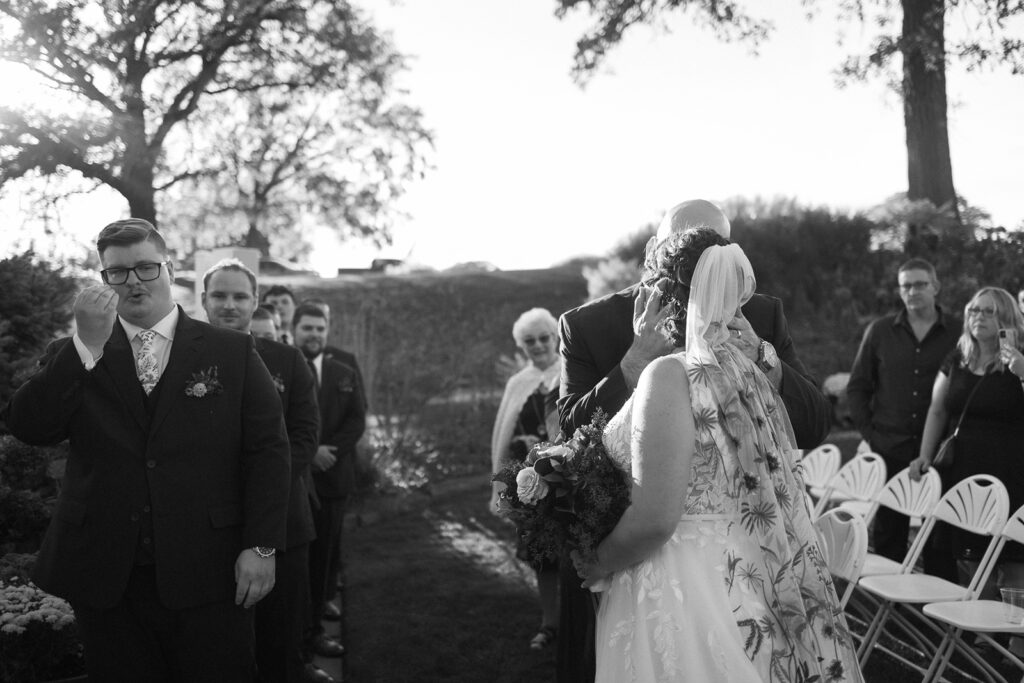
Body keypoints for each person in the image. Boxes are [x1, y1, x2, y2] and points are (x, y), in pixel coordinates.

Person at [555, 199, 831, 683]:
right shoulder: (589, 324)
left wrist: (765, 359)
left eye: (717, 248)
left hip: (741, 554)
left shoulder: (759, 316)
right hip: (627, 546)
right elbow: (572, 433)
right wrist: (631, 365)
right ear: (653, 250)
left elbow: (811, 424)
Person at [3, 219, 290, 682]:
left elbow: (268, 452)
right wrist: (85, 345)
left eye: (145, 267)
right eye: (117, 272)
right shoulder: (76, 351)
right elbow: (28, 425)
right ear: (104, 282)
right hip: (107, 575)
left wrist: (261, 545)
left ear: (169, 270)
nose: (133, 280)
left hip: (210, 570)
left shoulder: (232, 351)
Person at [201, 259, 331, 683]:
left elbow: (305, 437)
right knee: (218, 646)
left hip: (283, 524)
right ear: (203, 301)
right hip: (206, 525)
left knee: (281, 638)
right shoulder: (186, 356)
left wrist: (259, 486)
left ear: (256, 302)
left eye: (240, 296)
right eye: (219, 295)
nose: (229, 305)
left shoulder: (287, 361)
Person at [846, 258, 959, 574]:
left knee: (938, 542)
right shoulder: (880, 332)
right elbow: (857, 388)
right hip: (889, 447)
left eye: (920, 284)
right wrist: (871, 435)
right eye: (906, 285)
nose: (913, 291)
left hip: (939, 454)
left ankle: (935, 621)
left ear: (935, 287)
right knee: (889, 540)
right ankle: (893, 620)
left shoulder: (959, 333)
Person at [909, 287, 1024, 594]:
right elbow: (937, 409)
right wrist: (924, 454)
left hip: (1012, 470)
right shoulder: (959, 355)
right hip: (965, 468)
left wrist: (1022, 371)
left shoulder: (1020, 356)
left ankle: (1014, 639)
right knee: (972, 560)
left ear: (1007, 317)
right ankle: (982, 638)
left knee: (1012, 563)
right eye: (974, 310)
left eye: (989, 311)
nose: (979, 317)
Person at [294, 303, 367, 664]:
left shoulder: (343, 371)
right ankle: (297, 634)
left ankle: (316, 628)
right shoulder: (284, 368)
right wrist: (310, 454)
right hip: (296, 481)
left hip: (333, 477)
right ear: (294, 330)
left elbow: (357, 418)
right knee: (300, 563)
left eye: (320, 329)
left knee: (325, 558)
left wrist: (330, 451)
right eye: (307, 328)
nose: (315, 335)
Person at [490, 307, 563, 650]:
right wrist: (501, 486)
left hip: (569, 479)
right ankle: (550, 624)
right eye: (529, 341)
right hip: (529, 487)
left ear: (555, 337)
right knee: (541, 557)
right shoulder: (518, 384)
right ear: (522, 345)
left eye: (543, 338)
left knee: (577, 553)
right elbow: (502, 436)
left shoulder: (571, 372)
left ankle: (585, 622)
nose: (537, 345)